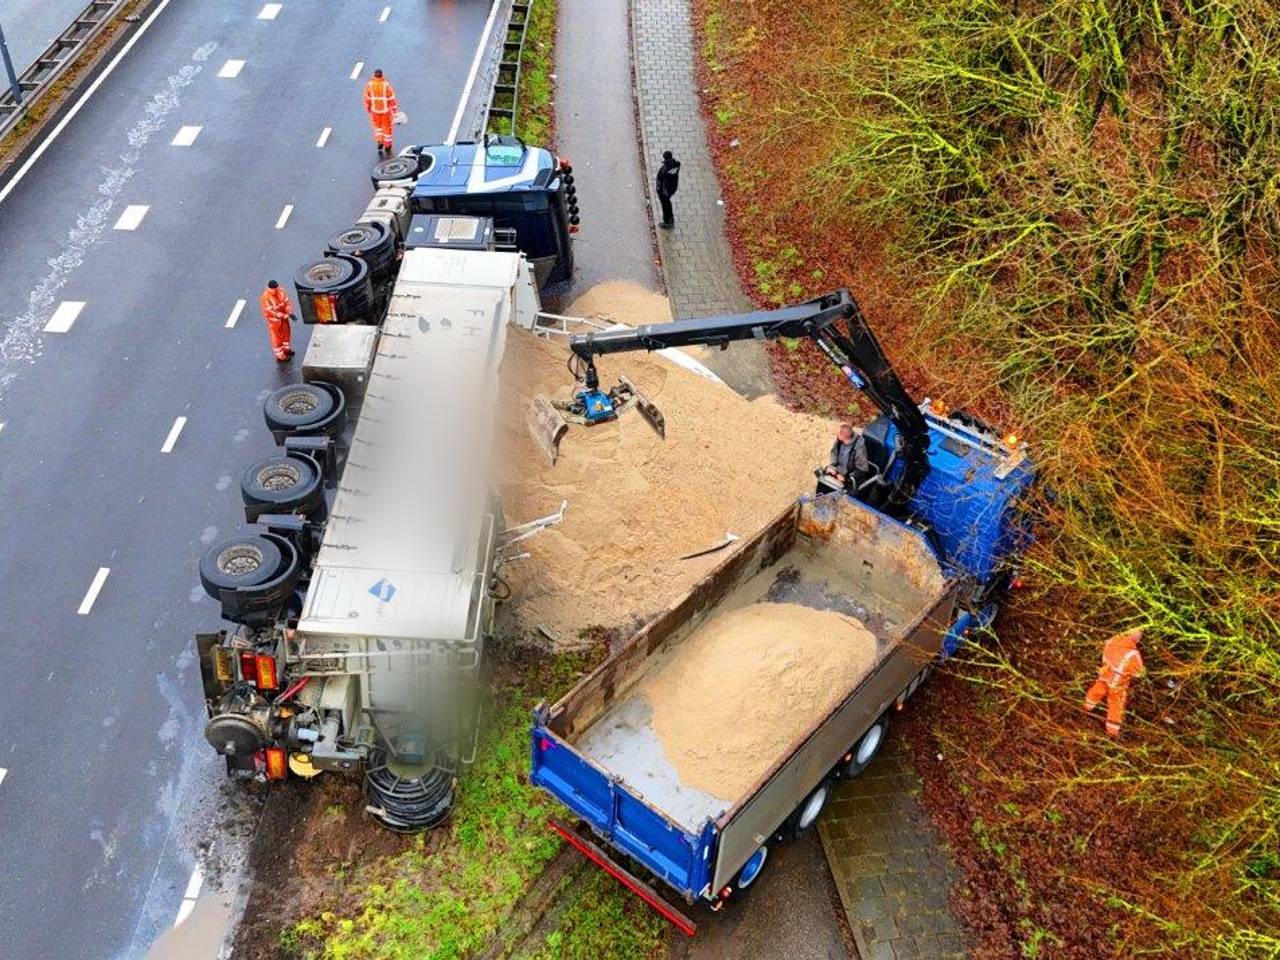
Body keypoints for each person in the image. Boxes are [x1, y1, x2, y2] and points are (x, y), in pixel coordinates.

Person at [1083, 629, 1145, 737]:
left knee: (1095, 692)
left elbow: (1105, 650)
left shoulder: (1113, 640)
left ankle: (1086, 708)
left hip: (1104, 674)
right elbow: (1139, 673)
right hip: (1118, 684)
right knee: (1116, 706)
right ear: (1137, 639)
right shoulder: (1133, 654)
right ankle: (1112, 732)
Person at [823, 423, 871, 492]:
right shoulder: (839, 440)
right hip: (837, 471)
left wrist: (846, 478)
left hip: (848, 477)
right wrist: (832, 466)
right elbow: (834, 453)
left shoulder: (859, 446)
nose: (837, 435)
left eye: (838, 434)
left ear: (843, 436)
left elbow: (863, 469)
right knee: (823, 477)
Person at [363, 69, 399, 158]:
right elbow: (391, 98)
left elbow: (367, 97)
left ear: (374, 75)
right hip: (385, 111)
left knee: (377, 127)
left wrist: (368, 107)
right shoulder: (386, 85)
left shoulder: (369, 85)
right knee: (387, 128)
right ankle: (387, 145)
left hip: (375, 111)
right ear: (382, 75)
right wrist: (395, 110)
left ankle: (379, 141)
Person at [259, 280, 295, 363]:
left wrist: (288, 311)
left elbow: (286, 302)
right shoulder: (266, 298)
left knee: (286, 332)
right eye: (274, 288)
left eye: (276, 287)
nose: (276, 290)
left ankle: (286, 349)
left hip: (283, 317)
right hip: (274, 321)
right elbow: (271, 312)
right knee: (277, 337)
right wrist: (285, 315)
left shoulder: (281, 291)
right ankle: (280, 355)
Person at [655, 150, 681, 228]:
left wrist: (658, 190)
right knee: (668, 202)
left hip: (664, 190)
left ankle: (666, 222)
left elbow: (659, 180)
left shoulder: (664, 169)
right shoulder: (676, 166)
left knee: (665, 205)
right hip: (672, 188)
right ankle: (671, 217)